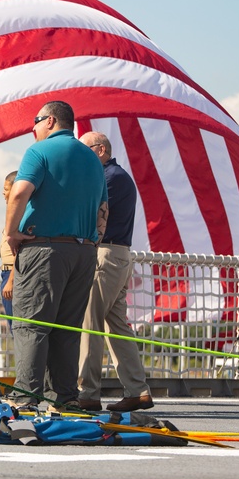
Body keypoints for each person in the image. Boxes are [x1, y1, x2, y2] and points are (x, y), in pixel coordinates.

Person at [4, 101, 107, 411]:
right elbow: (104, 212)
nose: (33, 129)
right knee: (67, 328)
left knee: (31, 325)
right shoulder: (91, 157)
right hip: (84, 252)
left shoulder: (39, 151)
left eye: (35, 122)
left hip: (45, 249)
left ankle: (25, 398)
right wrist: (90, 240)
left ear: (50, 121)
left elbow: (20, 192)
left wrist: (11, 232)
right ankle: (63, 398)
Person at [77, 132, 153, 412]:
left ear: (99, 150)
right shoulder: (118, 176)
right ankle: (137, 390)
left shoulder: (109, 178)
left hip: (105, 254)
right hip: (116, 255)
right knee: (117, 325)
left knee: (90, 321)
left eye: (84, 150)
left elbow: (87, 211)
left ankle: (87, 392)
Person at [0, 171, 18, 332]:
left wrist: (11, 281)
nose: (3, 193)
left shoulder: (21, 213)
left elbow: (20, 250)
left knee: (18, 328)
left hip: (14, 274)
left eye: (6, 189)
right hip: (7, 273)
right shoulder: (12, 213)